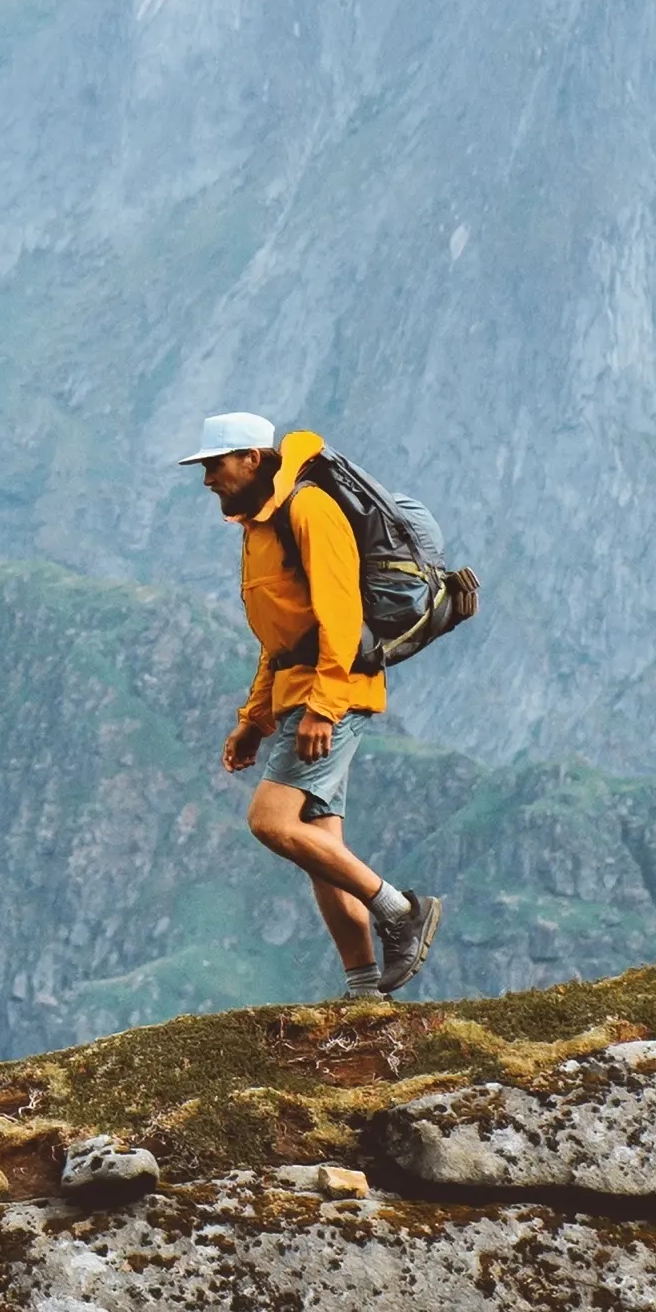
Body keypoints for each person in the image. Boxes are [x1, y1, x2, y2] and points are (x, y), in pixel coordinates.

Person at [184, 413, 442, 999]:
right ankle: (363, 989)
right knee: (320, 846)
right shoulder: (259, 525)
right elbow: (278, 639)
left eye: (214, 464)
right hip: (300, 694)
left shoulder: (308, 510)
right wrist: (253, 722)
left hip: (333, 692)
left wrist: (325, 707)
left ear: (252, 457)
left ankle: (402, 913)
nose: (206, 479)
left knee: (269, 822)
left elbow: (341, 613)